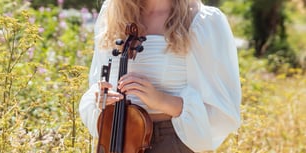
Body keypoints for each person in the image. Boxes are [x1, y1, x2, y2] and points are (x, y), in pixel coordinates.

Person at [79, 0, 242, 152]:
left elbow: (221, 108)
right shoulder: (114, 12)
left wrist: (160, 100)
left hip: (170, 140)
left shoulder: (202, 20)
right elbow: (98, 80)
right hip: (116, 136)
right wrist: (101, 98)